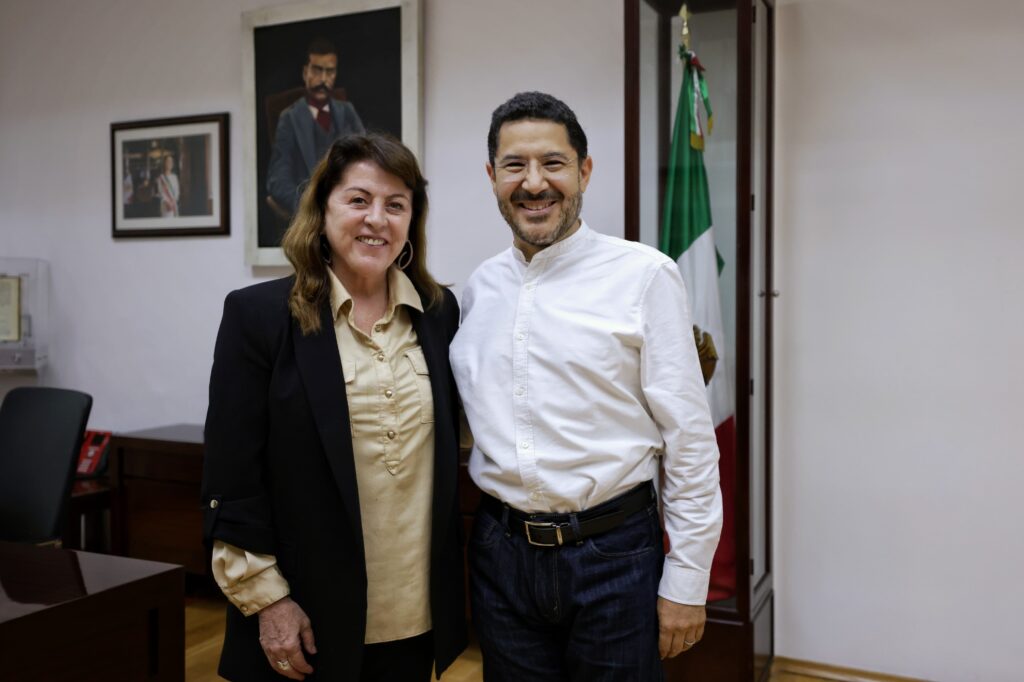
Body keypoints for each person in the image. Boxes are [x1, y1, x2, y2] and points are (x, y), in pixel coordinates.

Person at [449, 91, 723, 681]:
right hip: (500, 555)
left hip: (614, 556)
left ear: (584, 171)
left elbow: (690, 442)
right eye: (515, 166)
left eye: (553, 163)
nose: (534, 183)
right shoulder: (478, 289)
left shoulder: (645, 276)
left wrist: (687, 579)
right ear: (492, 177)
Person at [203, 132, 467, 681]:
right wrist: (270, 602)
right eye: (358, 200)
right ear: (322, 211)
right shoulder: (260, 316)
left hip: (412, 613)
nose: (377, 219)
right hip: (306, 616)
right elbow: (233, 476)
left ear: (412, 220)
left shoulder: (439, 313)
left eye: (396, 205)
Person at [267, 37, 365, 215]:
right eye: (317, 70)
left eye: (330, 72)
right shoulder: (289, 119)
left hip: (349, 212)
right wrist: (309, 208)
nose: (323, 79)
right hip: (309, 212)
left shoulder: (347, 111)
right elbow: (278, 180)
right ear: (305, 73)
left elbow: (366, 161)